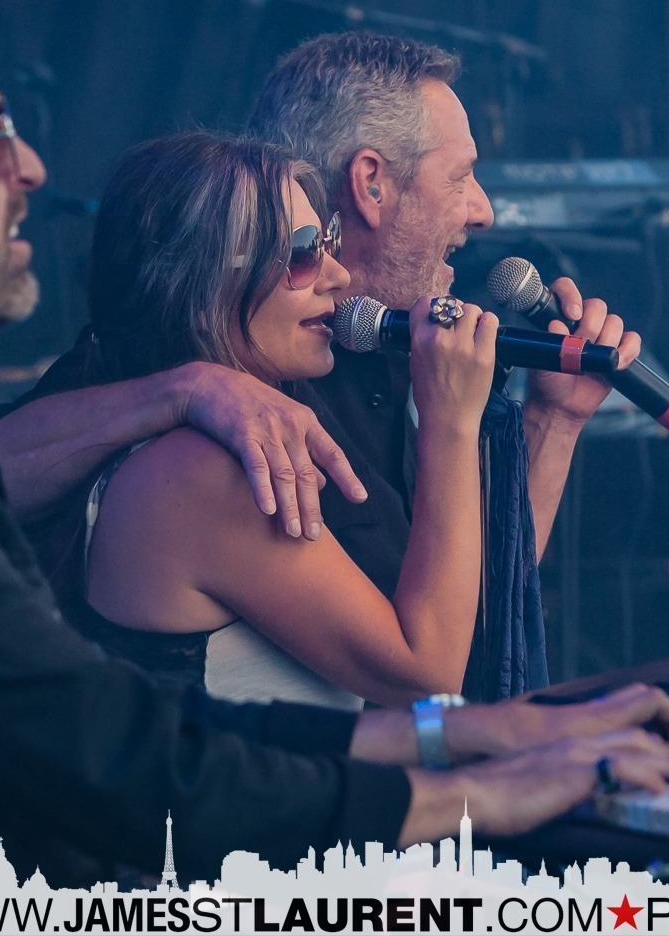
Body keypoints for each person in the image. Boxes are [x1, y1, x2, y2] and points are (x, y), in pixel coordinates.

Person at [0, 0, 669, 890]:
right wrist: (473, 789)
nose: (29, 170)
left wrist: (467, 736)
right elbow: (135, 762)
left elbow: (153, 722)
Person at [0, 32, 639, 701]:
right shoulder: (191, 434)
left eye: (324, 243)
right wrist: (185, 389)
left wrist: (554, 422)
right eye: (459, 176)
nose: (484, 211)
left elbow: (473, 615)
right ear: (370, 182)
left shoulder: (384, 353)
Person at [37, 130, 496, 710]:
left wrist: (552, 421)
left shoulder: (198, 442)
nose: (337, 275)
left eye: (327, 241)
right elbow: (426, 674)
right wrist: (451, 420)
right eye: (302, 252)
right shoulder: (202, 471)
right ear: (201, 284)